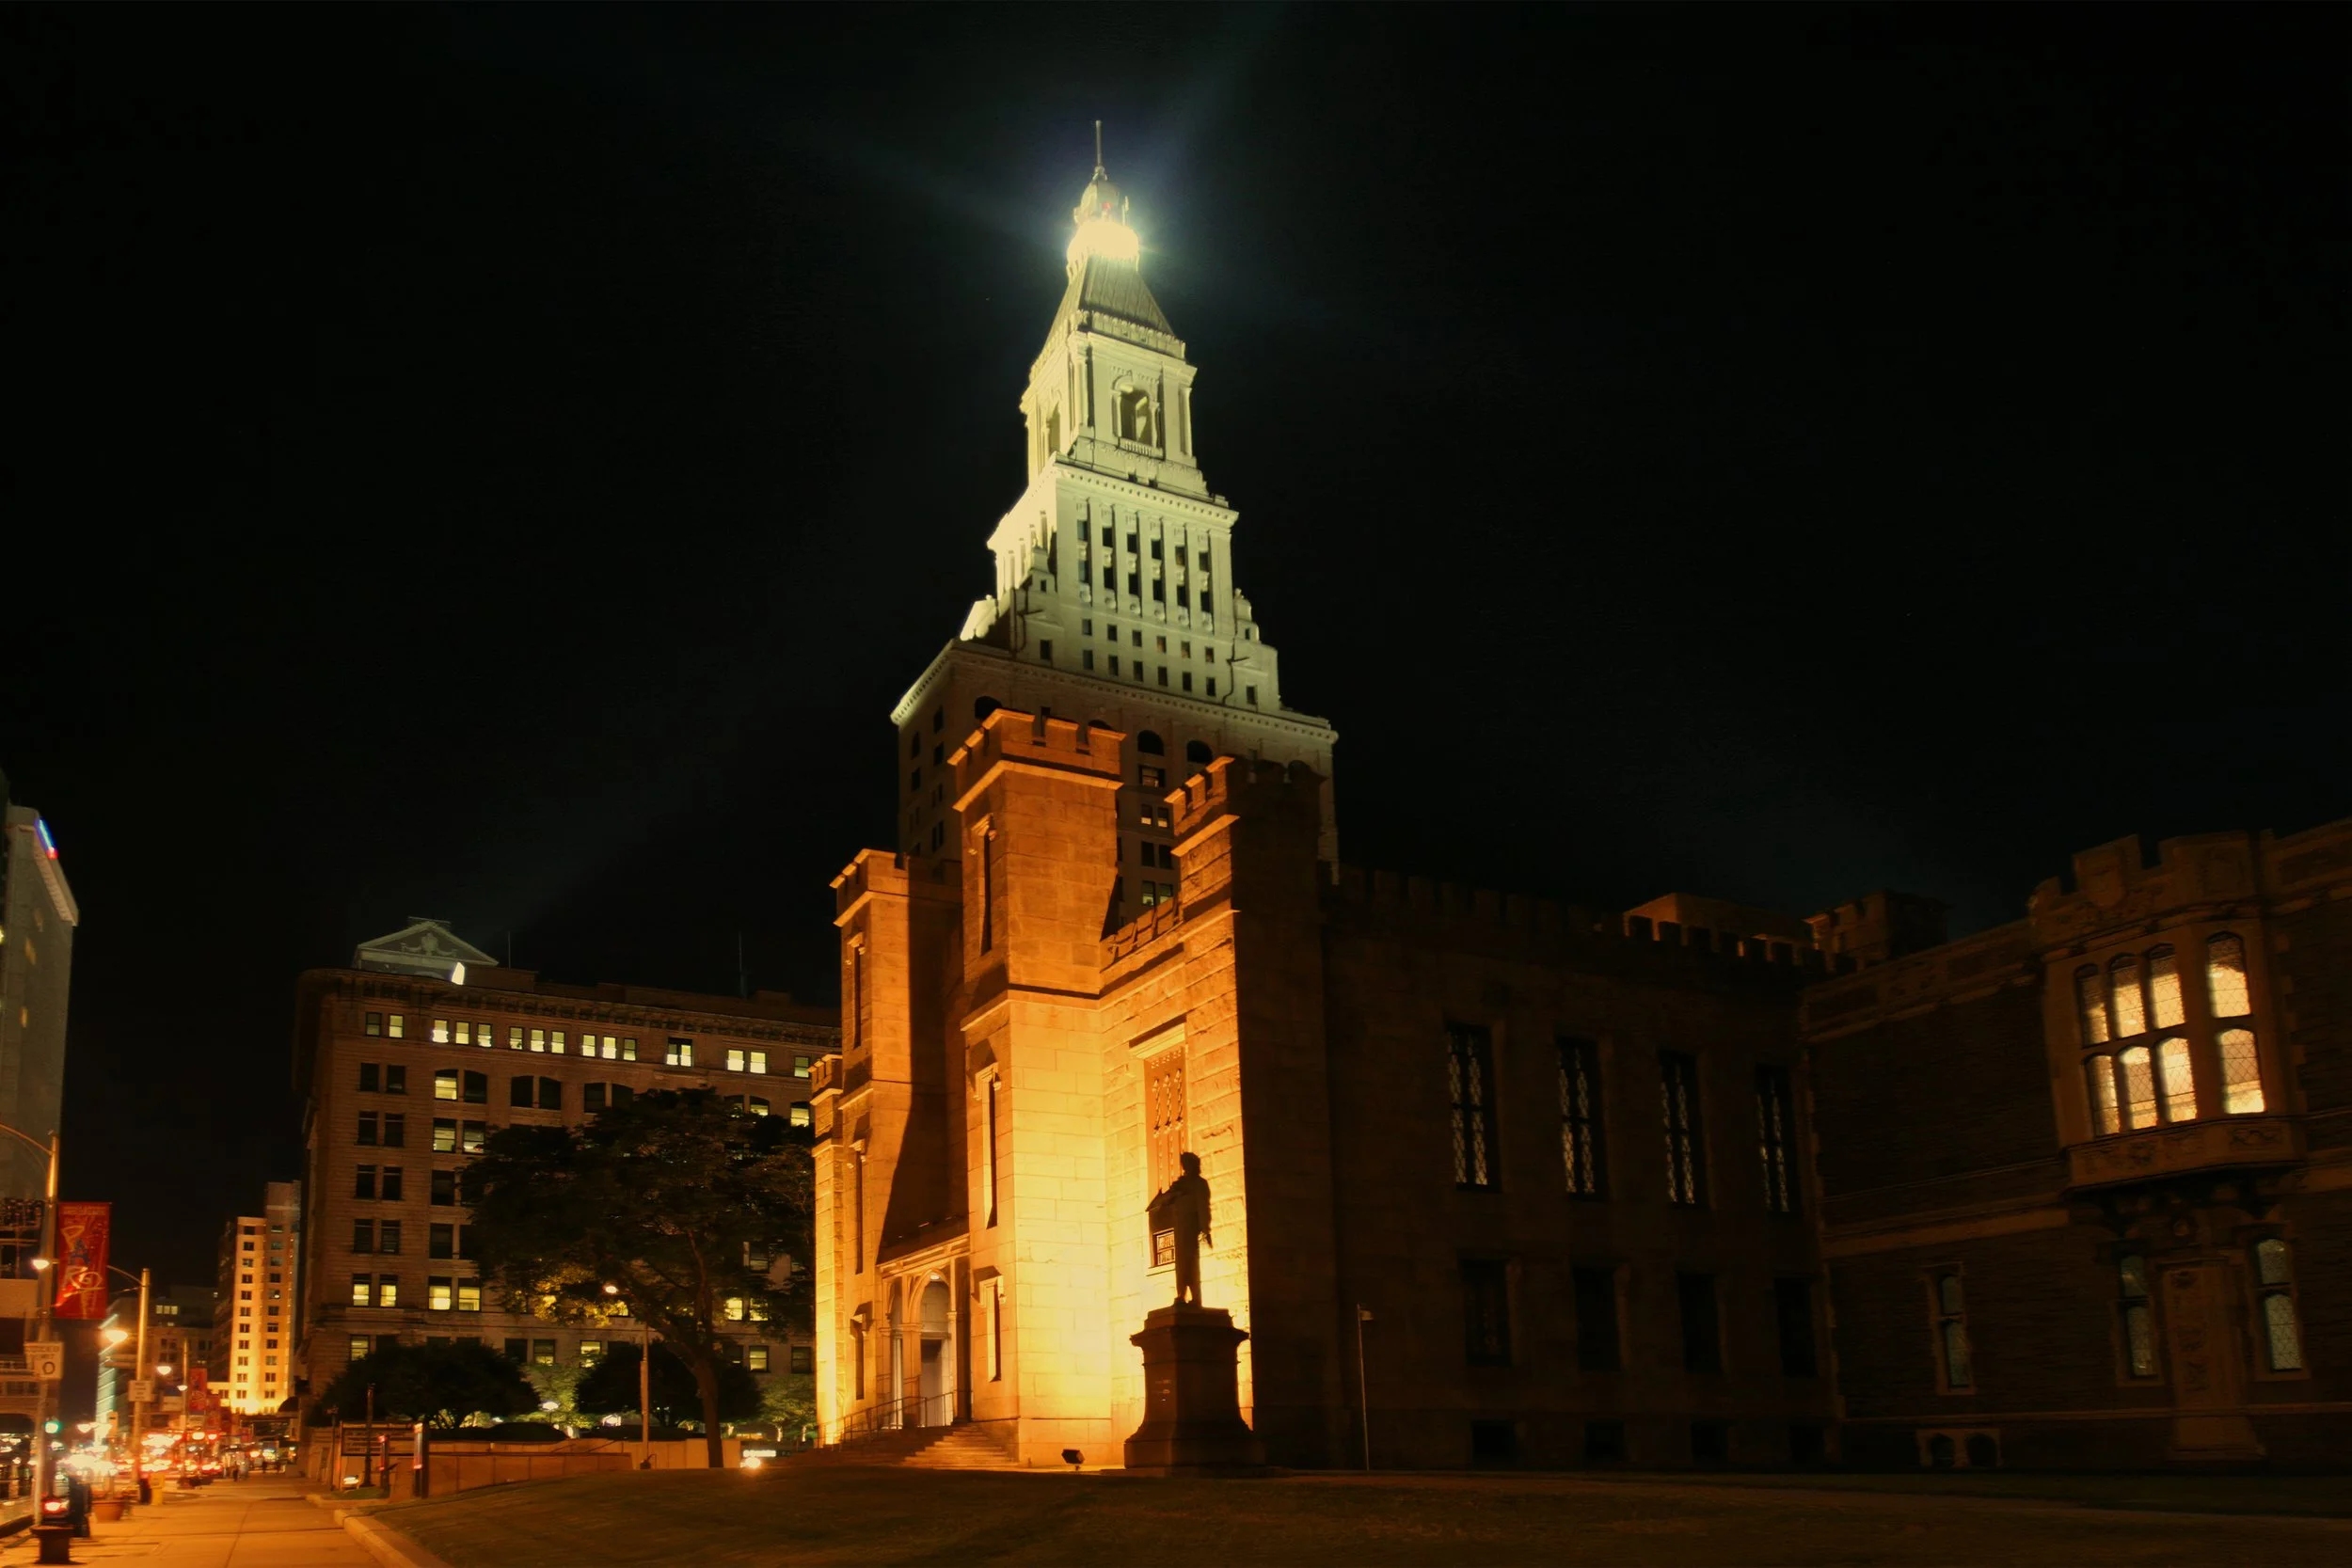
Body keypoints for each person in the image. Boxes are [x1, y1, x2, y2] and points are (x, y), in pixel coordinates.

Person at [1145, 1151, 1213, 1307]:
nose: (1186, 1167)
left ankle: (1196, 1297)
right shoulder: (1180, 1184)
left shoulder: (1199, 1184)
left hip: (1191, 1228)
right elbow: (1165, 1202)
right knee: (1181, 1263)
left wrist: (1205, 1229)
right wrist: (1167, 1199)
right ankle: (1181, 1294)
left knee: (1191, 1262)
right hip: (1180, 1227)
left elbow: (1203, 1206)